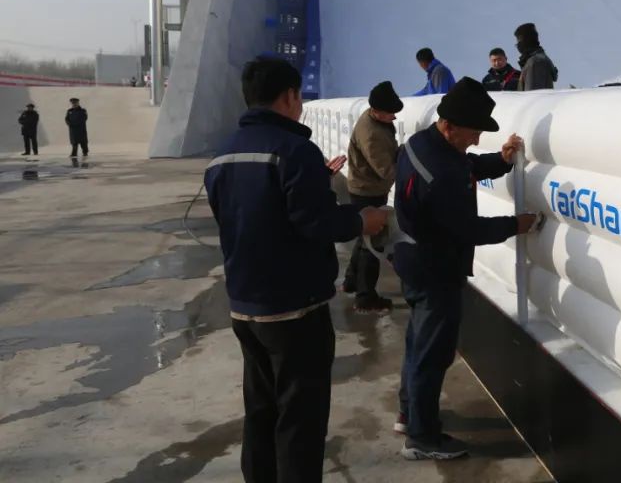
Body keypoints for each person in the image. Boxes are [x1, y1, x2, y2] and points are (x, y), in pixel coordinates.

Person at [204, 57, 389, 483]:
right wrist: (362, 220)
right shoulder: (294, 150)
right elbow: (317, 223)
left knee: (261, 410)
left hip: (245, 306)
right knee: (300, 421)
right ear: (289, 96)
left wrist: (312, 182)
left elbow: (247, 214)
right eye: (299, 96)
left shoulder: (223, 155)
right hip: (294, 310)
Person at [393, 78, 537, 460]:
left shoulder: (421, 144)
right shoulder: (442, 173)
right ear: (449, 125)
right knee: (432, 355)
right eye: (473, 132)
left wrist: (501, 161)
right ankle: (423, 439)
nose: (477, 139)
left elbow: (466, 165)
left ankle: (409, 414)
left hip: (412, 260)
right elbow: (469, 229)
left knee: (417, 345)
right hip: (435, 270)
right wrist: (516, 224)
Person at [343, 80, 403, 312]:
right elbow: (386, 170)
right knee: (373, 244)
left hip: (364, 188)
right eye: (390, 113)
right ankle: (365, 297)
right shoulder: (372, 134)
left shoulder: (375, 121)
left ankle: (351, 280)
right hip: (368, 192)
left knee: (364, 237)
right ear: (376, 111)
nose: (394, 117)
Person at [514, 23, 558, 91]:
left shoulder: (535, 62)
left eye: (519, 40)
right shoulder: (532, 61)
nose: (517, 45)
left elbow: (534, 95)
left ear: (527, 39)